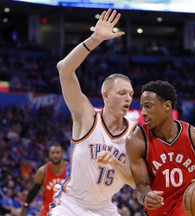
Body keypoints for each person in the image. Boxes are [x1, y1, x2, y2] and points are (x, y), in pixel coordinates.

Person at [49, 9, 136, 216]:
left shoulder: (135, 134)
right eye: (122, 92)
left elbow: (135, 182)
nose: (128, 98)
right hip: (70, 206)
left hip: (105, 208)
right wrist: (94, 39)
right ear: (106, 95)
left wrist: (116, 162)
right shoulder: (86, 116)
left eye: (131, 94)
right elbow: (64, 69)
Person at [126, 80, 195, 216]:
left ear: (167, 106)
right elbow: (141, 186)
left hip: (188, 209)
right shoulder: (137, 140)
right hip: (158, 212)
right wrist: (146, 197)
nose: (143, 112)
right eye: (142, 107)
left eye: (148, 106)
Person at [21, 143, 67, 216]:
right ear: (49, 154)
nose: (55, 155)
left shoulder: (69, 169)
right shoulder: (43, 171)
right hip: (48, 210)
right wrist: (25, 206)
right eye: (53, 153)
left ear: (62, 153)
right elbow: (34, 190)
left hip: (66, 209)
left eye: (57, 152)